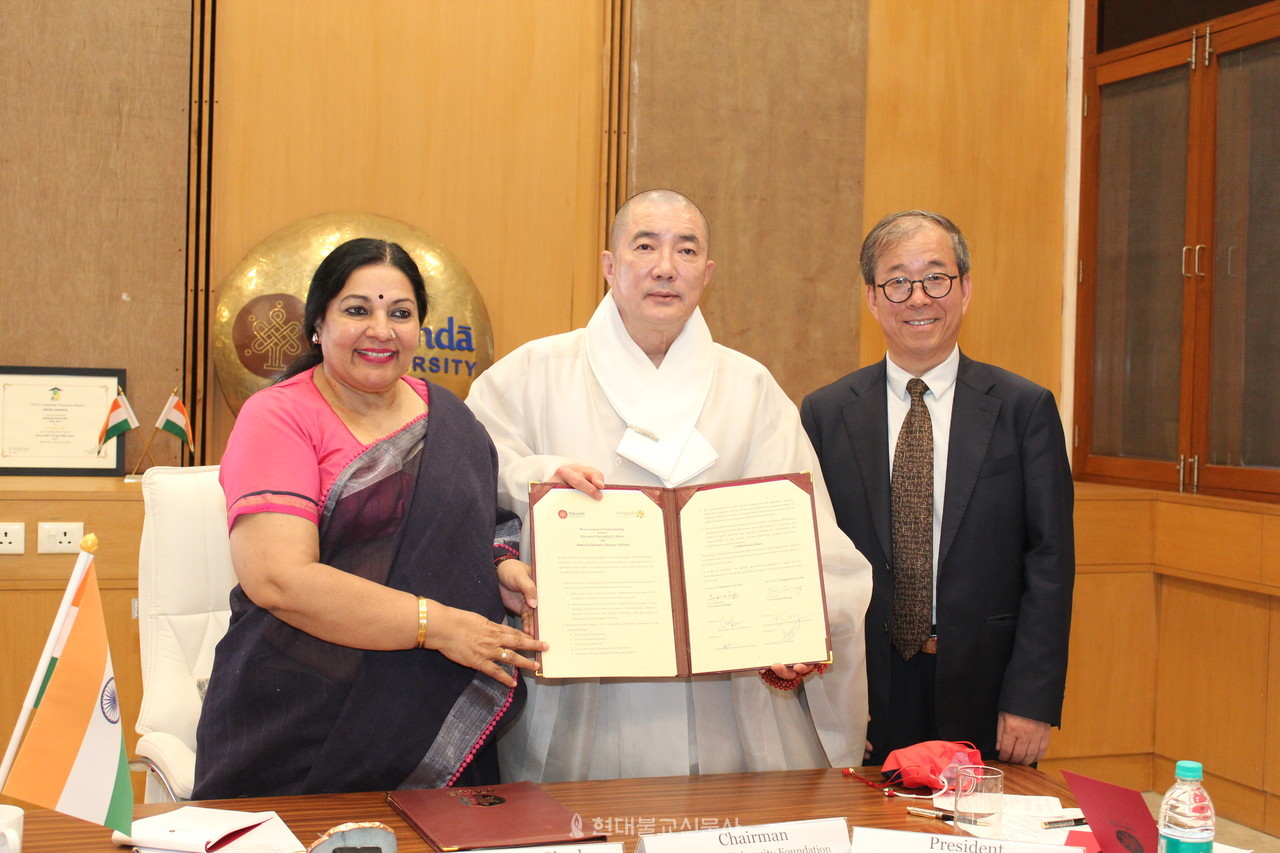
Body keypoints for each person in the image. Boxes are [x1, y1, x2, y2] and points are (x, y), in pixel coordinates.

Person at [466, 189, 873, 782]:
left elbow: (807, 538)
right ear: (609, 264)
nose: (665, 266)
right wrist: (537, 478)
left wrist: (801, 625)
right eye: (645, 245)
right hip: (584, 684)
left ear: (706, 274)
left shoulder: (750, 387)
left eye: (686, 250)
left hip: (728, 691)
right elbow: (470, 486)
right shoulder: (531, 375)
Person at [193, 238, 547, 797]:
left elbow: (485, 528)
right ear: (317, 324)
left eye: (400, 313)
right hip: (297, 718)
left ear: (419, 330)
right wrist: (440, 625)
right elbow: (279, 579)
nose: (381, 329)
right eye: (357, 310)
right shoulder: (278, 415)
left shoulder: (450, 418)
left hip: (434, 716)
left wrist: (498, 571)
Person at [800, 210, 1074, 766]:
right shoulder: (826, 413)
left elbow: (1050, 563)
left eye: (936, 277)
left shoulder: (1025, 409)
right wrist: (826, 697)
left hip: (988, 689)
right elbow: (807, 558)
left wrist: (1031, 700)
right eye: (897, 281)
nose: (918, 297)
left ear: (965, 289)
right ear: (873, 299)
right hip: (867, 686)